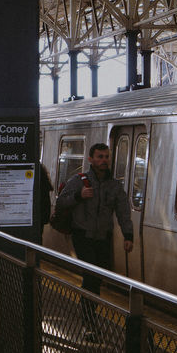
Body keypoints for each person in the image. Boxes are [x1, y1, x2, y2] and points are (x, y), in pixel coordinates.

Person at [53, 142, 133, 341]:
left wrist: (128, 235)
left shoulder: (115, 186)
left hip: (103, 238)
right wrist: (79, 197)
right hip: (83, 236)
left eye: (106, 157)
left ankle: (91, 317)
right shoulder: (79, 181)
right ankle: (89, 323)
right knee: (90, 277)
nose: (104, 161)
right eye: (99, 157)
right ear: (91, 159)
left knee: (97, 279)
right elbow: (61, 201)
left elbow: (123, 212)